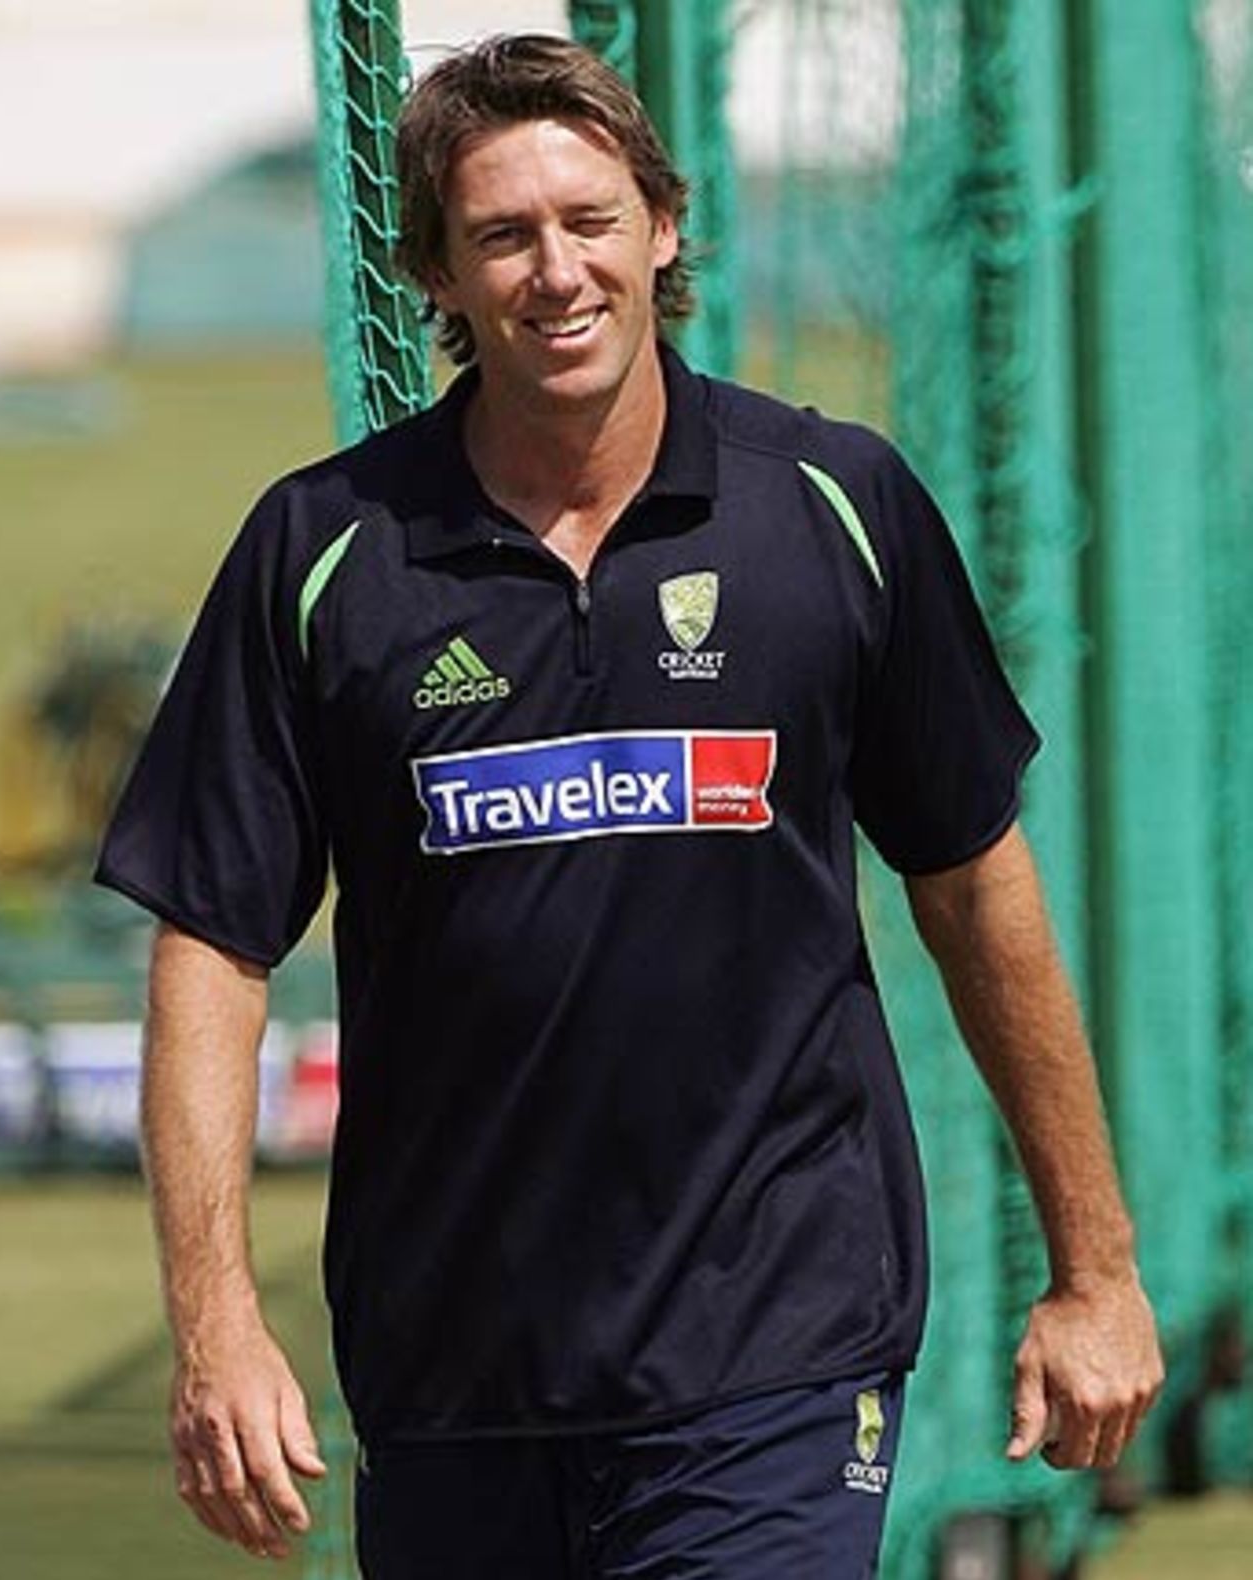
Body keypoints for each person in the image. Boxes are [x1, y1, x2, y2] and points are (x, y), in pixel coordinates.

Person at [96, 32, 1163, 1579]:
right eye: (504, 236)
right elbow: (214, 948)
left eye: (592, 221)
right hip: (453, 1366)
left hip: (779, 1342)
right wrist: (217, 1330)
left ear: (664, 227)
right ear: (438, 280)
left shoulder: (834, 511)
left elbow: (974, 885)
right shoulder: (325, 553)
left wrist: (1097, 1267)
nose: (558, 271)